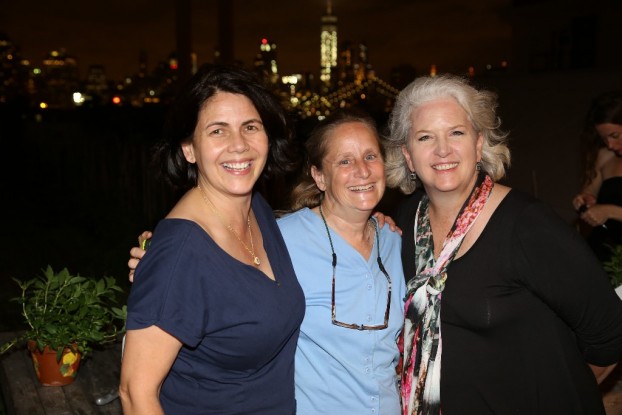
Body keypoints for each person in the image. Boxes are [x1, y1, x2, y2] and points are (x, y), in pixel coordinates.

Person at [128, 109, 406, 414]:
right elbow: (209, 257)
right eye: (344, 161)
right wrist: (157, 261)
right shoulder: (282, 239)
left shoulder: (395, 240)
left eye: (370, 157)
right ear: (319, 177)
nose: (362, 171)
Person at [383, 74, 622, 414]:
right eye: (425, 137)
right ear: (408, 156)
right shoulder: (406, 220)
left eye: (456, 132)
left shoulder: (526, 225)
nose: (442, 150)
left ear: (479, 144)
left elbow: (610, 331)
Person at [118, 64, 305, 415]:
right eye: (218, 131)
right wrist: (163, 268)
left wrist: (366, 222)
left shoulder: (256, 209)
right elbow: (135, 393)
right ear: (189, 148)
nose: (239, 145)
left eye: (250, 127)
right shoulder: (179, 255)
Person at [572, 91, 622, 263]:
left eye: (615, 136)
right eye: (604, 138)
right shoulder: (605, 156)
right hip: (604, 253)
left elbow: (606, 210)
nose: (610, 145)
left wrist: (608, 211)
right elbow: (590, 189)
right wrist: (586, 198)